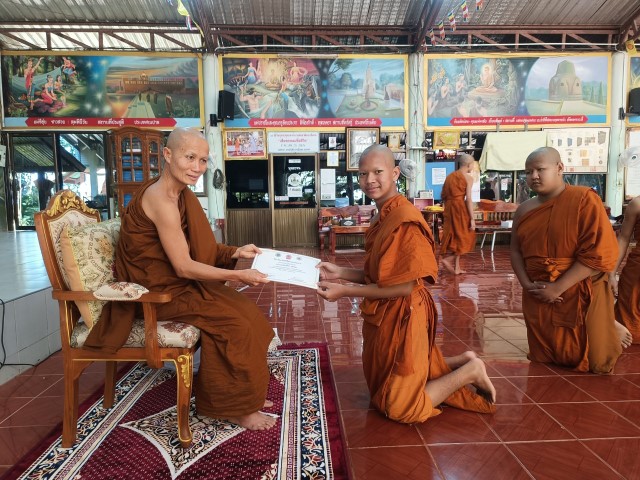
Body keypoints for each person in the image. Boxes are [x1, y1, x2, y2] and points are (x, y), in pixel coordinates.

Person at [83, 128, 277, 431]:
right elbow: (185, 267)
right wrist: (238, 273)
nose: (197, 167)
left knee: (248, 313)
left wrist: (235, 252)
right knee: (235, 324)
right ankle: (236, 408)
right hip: (158, 294)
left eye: (203, 160)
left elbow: (198, 248)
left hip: (178, 285)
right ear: (168, 155)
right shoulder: (161, 199)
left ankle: (242, 394)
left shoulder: (181, 194)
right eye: (190, 157)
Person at [316, 144, 496, 424]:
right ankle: (462, 360)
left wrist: (345, 291)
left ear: (395, 173)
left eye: (378, 172)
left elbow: (404, 286)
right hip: (384, 312)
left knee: (399, 408)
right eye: (363, 174)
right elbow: (380, 276)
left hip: (405, 312)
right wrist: (339, 272)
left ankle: (470, 371)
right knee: (382, 389)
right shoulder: (381, 215)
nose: (369, 180)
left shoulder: (404, 218)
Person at [510, 147, 632, 374]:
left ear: (559, 168)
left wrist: (558, 288)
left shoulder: (584, 199)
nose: (534, 176)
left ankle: (608, 324)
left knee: (597, 362)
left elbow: (598, 253)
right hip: (539, 288)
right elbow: (515, 251)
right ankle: (606, 323)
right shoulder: (524, 209)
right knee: (546, 356)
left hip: (579, 284)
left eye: (540, 169)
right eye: (528, 172)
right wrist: (526, 285)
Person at [440, 154, 477, 275]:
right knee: (464, 236)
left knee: (456, 236)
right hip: (460, 209)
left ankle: (457, 268)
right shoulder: (468, 178)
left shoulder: (449, 177)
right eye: (473, 165)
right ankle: (447, 260)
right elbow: (469, 199)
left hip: (449, 208)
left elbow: (443, 195)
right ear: (469, 165)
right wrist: (472, 218)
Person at [610, 195, 640, 344]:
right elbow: (623, 238)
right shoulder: (637, 203)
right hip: (636, 272)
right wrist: (612, 273)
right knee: (630, 327)